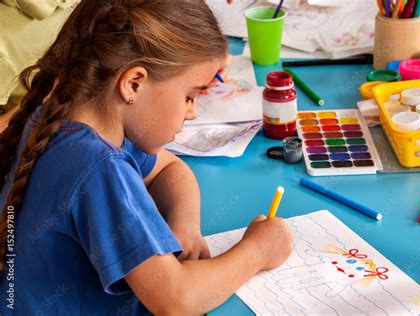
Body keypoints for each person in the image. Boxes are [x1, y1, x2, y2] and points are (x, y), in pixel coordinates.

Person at [0, 1, 293, 314]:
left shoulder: (62, 120)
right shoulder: (99, 168)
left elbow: (171, 169)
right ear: (134, 83)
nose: (192, 112)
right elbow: (175, 299)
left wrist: (185, 228)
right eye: (190, 96)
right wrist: (257, 251)